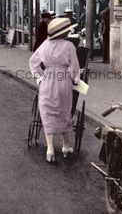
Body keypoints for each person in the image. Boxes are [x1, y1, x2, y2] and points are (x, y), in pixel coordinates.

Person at [29, 16, 80, 163]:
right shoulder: (69, 46)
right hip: (63, 79)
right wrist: (75, 79)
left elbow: (33, 62)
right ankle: (65, 145)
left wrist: (38, 77)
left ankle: (50, 148)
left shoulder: (45, 44)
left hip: (47, 79)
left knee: (48, 110)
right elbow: (74, 66)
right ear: (64, 33)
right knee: (64, 110)